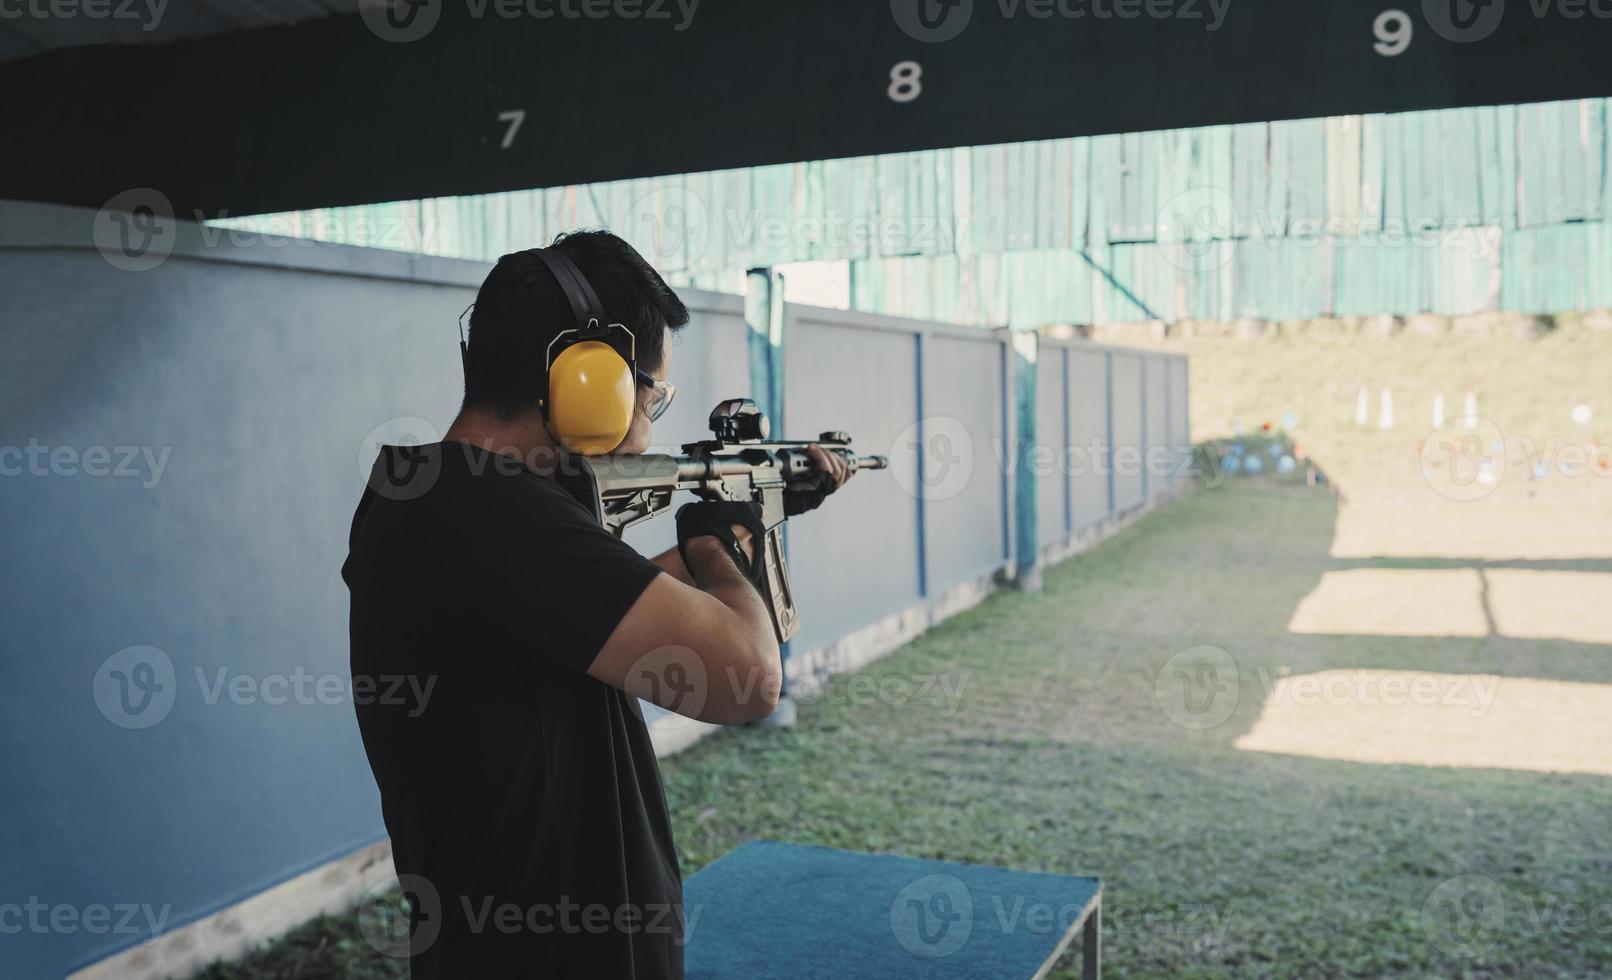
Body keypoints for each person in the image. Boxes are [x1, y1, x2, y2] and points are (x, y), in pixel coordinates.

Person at [341, 231, 851, 979]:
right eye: (651, 391)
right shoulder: (482, 506)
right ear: (588, 377)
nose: (649, 422)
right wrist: (716, 540)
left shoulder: (439, 498)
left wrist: (744, 523)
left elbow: (607, 613)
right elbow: (748, 680)